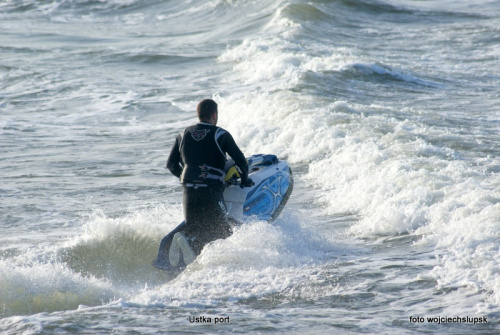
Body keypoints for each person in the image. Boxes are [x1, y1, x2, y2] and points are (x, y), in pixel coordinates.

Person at [165, 99, 253, 265]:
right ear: (214, 115)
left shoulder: (183, 134)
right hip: (211, 191)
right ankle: (210, 263)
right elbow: (241, 161)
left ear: (198, 115)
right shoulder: (221, 134)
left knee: (196, 227)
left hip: (189, 191)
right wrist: (245, 179)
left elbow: (170, 165)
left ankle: (184, 239)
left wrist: (187, 179)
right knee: (223, 229)